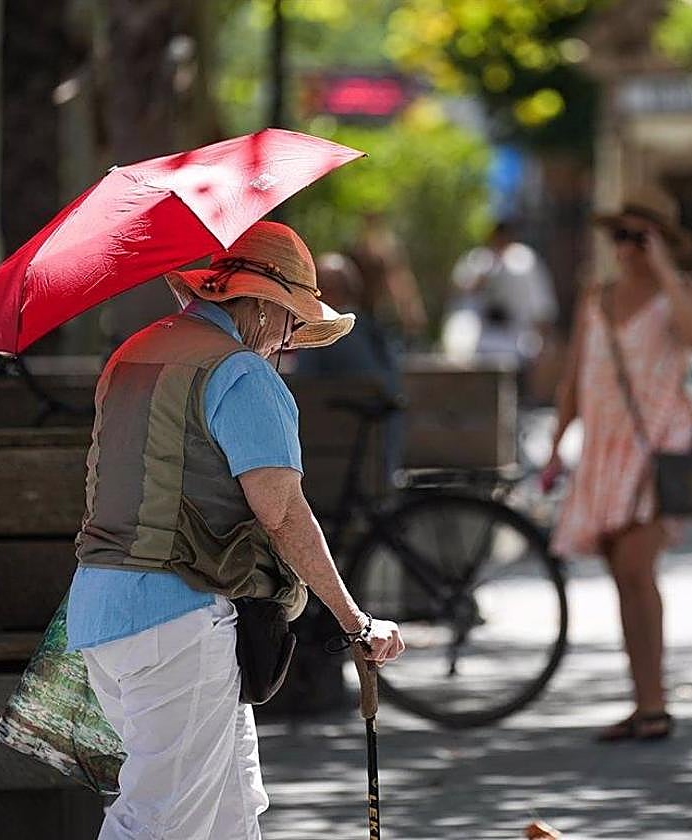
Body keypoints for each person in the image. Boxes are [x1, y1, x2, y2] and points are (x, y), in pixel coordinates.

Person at [65, 221, 405, 839]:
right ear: (260, 303)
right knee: (158, 824)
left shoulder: (131, 355)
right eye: (289, 322)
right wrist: (355, 620)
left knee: (230, 814)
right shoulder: (242, 373)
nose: (286, 341)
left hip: (98, 615)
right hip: (178, 623)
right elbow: (282, 511)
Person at [542, 187, 692, 741]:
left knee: (639, 570)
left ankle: (656, 702)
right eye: (621, 235)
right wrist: (555, 444)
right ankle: (645, 702)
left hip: (658, 452)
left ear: (661, 240)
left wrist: (664, 266)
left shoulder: (681, 291)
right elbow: (575, 376)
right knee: (623, 577)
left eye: (639, 236)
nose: (627, 247)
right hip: (604, 452)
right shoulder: (596, 296)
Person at [293, 252, 405, 473]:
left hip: (338, 453)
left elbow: (302, 385)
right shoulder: (368, 326)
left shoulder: (329, 332)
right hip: (381, 447)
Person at [443, 219, 558, 380]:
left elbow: (541, 307)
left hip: (515, 338)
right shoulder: (477, 260)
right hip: (480, 340)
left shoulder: (524, 262)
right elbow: (457, 291)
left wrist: (543, 341)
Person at [349, 211, 428, 342]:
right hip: (364, 312)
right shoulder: (359, 248)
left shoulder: (387, 247)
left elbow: (399, 279)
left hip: (384, 313)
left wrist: (410, 310)